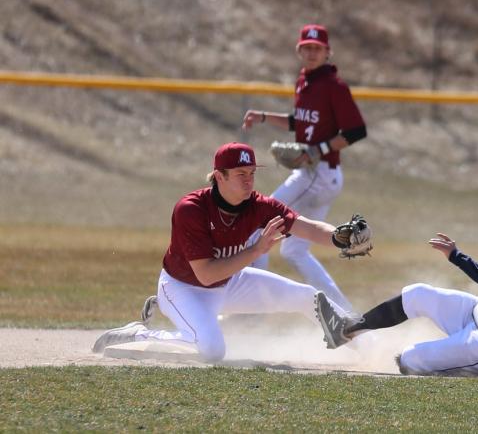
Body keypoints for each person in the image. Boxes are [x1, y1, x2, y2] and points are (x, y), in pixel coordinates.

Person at [92, 142, 370, 362]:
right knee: (212, 349)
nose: (249, 181)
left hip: (230, 282)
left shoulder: (258, 205)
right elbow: (206, 274)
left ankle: (368, 346)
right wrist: (256, 250)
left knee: (306, 297)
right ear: (218, 176)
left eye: (251, 173)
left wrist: (338, 237)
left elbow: (305, 228)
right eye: (240, 174)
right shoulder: (191, 210)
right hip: (183, 288)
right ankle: (140, 334)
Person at [315, 171, 478, 376]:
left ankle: (451, 364)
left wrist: (456, 256)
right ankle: (346, 330)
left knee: (409, 359)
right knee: (417, 295)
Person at [241, 24, 366, 312]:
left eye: (317, 48)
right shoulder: (304, 82)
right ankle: (348, 314)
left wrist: (318, 149)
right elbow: (300, 123)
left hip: (318, 174)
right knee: (295, 250)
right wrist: (263, 116)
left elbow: (356, 130)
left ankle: (251, 310)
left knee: (258, 224)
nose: (311, 53)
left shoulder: (334, 86)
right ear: (299, 50)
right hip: (320, 177)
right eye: (306, 48)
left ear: (327, 52)